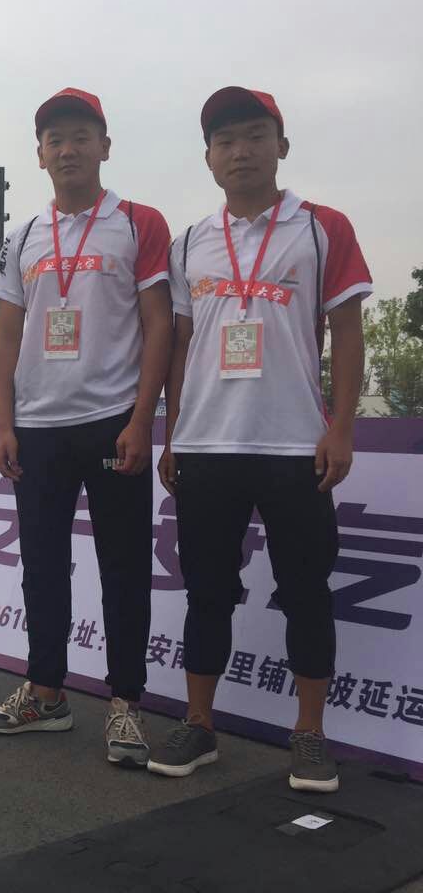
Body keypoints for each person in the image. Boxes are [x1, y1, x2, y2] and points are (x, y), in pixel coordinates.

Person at [148, 88, 371, 793]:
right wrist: (173, 435)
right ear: (209, 158)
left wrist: (340, 428)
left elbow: (348, 332)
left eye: (253, 136)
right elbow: (182, 344)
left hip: (294, 445)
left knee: (306, 590)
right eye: (225, 141)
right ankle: (199, 724)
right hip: (207, 446)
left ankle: (309, 735)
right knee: (207, 591)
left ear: (281, 145)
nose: (239, 152)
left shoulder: (322, 227)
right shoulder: (191, 242)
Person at [0, 88, 172, 767]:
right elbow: (7, 333)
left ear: (105, 147)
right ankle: (46, 692)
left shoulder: (139, 223)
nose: (68, 150)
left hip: (114, 422)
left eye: (81, 137)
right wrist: (5, 424)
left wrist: (143, 419)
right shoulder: (24, 236)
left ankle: (126, 704)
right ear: (39, 155)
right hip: (39, 427)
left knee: (124, 567)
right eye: (55, 139)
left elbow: (158, 325)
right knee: (41, 566)